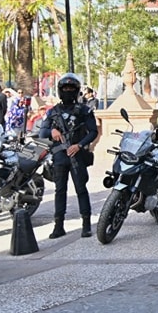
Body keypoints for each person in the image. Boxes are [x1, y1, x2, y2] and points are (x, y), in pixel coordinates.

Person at [39, 73, 98, 239]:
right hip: (59, 156)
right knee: (60, 191)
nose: (68, 91)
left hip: (77, 156)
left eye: (71, 89)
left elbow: (93, 131)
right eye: (65, 89)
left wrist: (79, 145)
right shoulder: (53, 112)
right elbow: (42, 131)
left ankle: (86, 225)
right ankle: (58, 225)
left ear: (77, 90)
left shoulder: (84, 110)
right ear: (60, 90)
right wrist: (52, 131)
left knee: (81, 189)